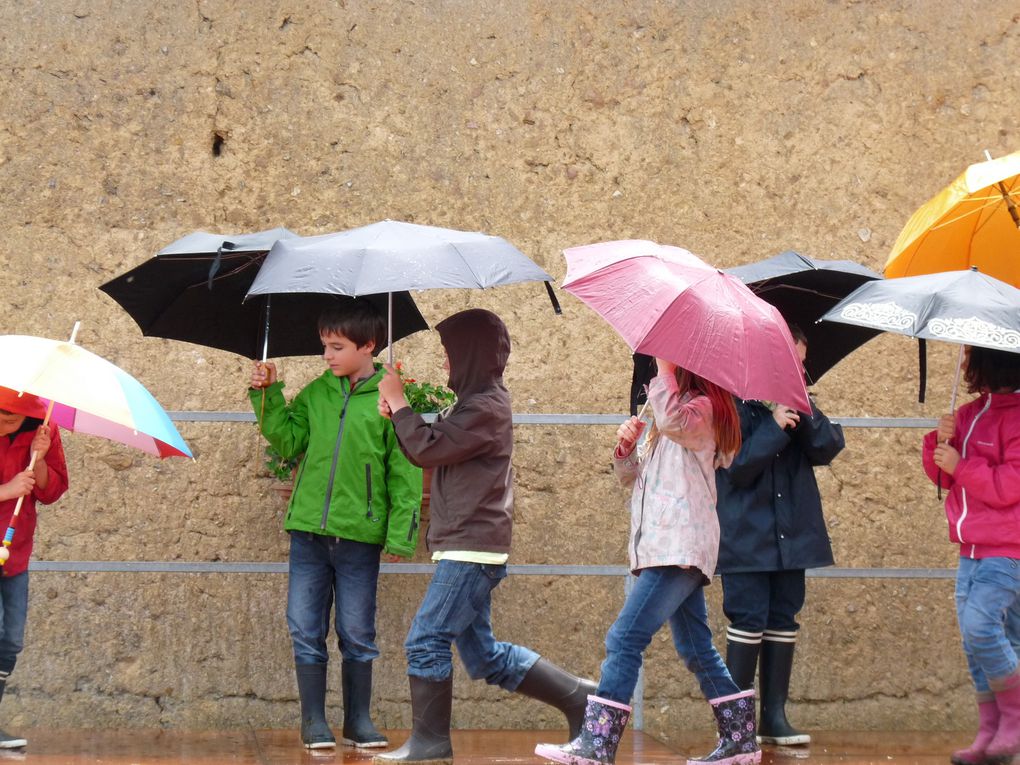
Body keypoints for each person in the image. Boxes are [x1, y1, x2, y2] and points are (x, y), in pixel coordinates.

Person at [373, 308, 594, 765]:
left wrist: (399, 404)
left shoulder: (486, 406)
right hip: (465, 543)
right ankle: (581, 699)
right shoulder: (473, 404)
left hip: (471, 547)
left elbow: (427, 448)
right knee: (485, 657)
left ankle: (431, 744)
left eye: (451, 356)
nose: (446, 366)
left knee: (425, 640)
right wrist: (399, 414)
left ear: (471, 355)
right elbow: (431, 442)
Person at [536, 358, 760, 765]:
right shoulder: (669, 413)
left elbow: (675, 421)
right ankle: (739, 739)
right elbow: (633, 480)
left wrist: (665, 371)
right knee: (695, 647)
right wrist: (625, 448)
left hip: (679, 544)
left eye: (668, 363)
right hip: (665, 544)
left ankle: (598, 743)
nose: (655, 371)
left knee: (624, 638)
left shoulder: (702, 408)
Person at [248, 299, 423, 751]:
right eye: (324, 345)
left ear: (368, 346)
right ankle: (313, 721)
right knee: (305, 626)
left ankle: (358, 721)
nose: (327, 355)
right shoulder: (316, 393)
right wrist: (266, 395)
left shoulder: (390, 398)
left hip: (358, 536)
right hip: (308, 531)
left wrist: (400, 533)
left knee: (357, 631)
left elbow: (406, 471)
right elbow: (288, 438)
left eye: (336, 346)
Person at [714, 327, 844, 746]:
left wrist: (800, 407)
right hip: (747, 535)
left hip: (794, 534)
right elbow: (736, 468)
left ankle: (774, 716)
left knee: (784, 618)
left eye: (801, 363)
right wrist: (772, 424)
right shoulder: (730, 401)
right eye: (792, 361)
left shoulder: (796, 398)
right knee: (748, 619)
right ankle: (735, 726)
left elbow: (826, 447)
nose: (799, 369)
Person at [922, 345, 1020, 764]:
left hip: (1007, 549)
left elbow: (1010, 485)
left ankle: (1014, 720)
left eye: (968, 354)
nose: (962, 361)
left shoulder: (1017, 417)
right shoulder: (968, 414)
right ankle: (991, 730)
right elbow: (942, 475)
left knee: (982, 628)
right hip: (971, 548)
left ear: (992, 359)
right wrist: (938, 443)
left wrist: (961, 464)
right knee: (977, 640)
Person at [0, 389, 68, 749]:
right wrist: (6, 490)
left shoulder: (44, 429)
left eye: (10, 418)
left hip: (15, 552)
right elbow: (13, 490)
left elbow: (52, 491)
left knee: (9, 641)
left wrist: (38, 460)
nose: (2, 423)